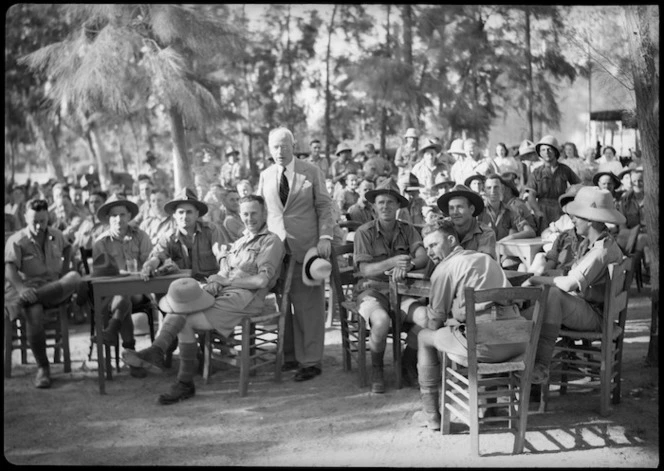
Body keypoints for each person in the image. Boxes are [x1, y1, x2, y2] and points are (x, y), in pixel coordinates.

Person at [123, 195, 285, 404]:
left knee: (185, 321)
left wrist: (225, 281)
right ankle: (163, 357)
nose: (249, 218)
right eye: (245, 214)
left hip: (245, 300)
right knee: (180, 303)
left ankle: (178, 375)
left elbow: (262, 281)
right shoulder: (240, 242)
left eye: (254, 213)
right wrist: (217, 280)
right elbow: (226, 271)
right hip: (223, 293)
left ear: (264, 214)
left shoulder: (270, 241)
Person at [411, 219, 524, 430]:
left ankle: (431, 415)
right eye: (426, 248)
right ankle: (489, 408)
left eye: (434, 245)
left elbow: (435, 322)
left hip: (485, 346)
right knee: (476, 328)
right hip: (517, 340)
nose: (430, 252)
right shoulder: (486, 259)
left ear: (452, 240)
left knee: (424, 337)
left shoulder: (444, 269)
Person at [522, 186, 625, 385]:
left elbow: (570, 283)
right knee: (539, 307)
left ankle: (539, 365)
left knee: (551, 297)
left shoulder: (601, 250)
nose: (573, 220)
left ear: (591, 220)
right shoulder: (598, 243)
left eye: (577, 216)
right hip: (594, 309)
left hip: (596, 316)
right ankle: (534, 368)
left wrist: (535, 279)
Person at [257, 127, 335, 382]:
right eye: (275, 147)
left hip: (307, 249)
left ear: (293, 145)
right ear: (269, 149)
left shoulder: (310, 171)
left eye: (284, 146)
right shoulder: (266, 175)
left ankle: (311, 361)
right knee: (283, 305)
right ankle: (289, 355)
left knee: (308, 307)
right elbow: (263, 212)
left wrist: (325, 237)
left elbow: (324, 206)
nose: (280, 151)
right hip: (277, 250)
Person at [353, 178, 429, 393]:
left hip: (403, 292)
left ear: (398, 206)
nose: (385, 206)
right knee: (381, 321)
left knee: (426, 317)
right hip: (371, 291)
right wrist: (393, 262)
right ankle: (377, 367)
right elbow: (365, 269)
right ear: (374, 207)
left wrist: (410, 263)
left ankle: (407, 362)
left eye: (390, 202)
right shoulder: (364, 232)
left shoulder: (408, 229)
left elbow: (422, 255)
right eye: (381, 202)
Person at [5, 199, 86, 388]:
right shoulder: (17, 240)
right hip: (29, 290)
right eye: (34, 221)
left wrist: (64, 270)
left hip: (54, 288)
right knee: (34, 311)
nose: (39, 225)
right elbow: (9, 269)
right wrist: (21, 290)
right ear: (25, 217)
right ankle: (43, 368)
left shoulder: (56, 235)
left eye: (42, 221)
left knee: (74, 276)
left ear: (48, 217)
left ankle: (19, 304)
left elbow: (68, 247)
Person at [92, 194, 154, 377]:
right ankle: (131, 356)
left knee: (126, 294)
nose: (118, 219)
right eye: (113, 215)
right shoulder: (100, 242)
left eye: (122, 214)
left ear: (129, 216)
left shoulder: (140, 236)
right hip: (109, 296)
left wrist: (146, 268)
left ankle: (111, 330)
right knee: (122, 297)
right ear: (108, 219)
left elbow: (150, 261)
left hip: (139, 292)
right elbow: (98, 275)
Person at [141, 187, 228, 282]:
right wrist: (149, 266)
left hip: (209, 284)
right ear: (174, 215)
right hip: (182, 286)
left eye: (189, 212)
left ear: (197, 214)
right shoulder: (169, 237)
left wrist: (222, 275)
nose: (184, 216)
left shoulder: (210, 230)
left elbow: (222, 254)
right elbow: (158, 255)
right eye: (181, 212)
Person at [478, 174, 536, 268]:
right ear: (484, 191)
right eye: (489, 188)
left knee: (512, 264)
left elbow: (530, 231)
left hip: (503, 254)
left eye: (496, 187)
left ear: (502, 189)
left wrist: (510, 238)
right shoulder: (479, 212)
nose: (493, 191)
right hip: (483, 256)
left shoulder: (511, 210)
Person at [525, 135, 581, 230]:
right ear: (540, 153)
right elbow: (531, 196)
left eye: (549, 149)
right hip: (543, 211)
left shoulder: (565, 169)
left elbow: (578, 186)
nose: (546, 152)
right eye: (543, 150)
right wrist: (537, 211)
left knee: (562, 236)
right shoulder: (536, 172)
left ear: (555, 151)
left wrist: (571, 204)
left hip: (561, 209)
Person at [436, 184, 496, 259]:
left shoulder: (486, 233)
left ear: (471, 209)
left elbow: (483, 263)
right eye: (451, 208)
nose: (455, 212)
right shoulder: (443, 229)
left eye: (459, 207)